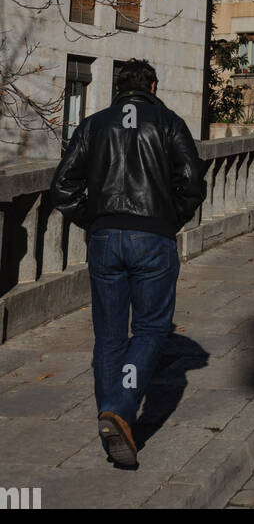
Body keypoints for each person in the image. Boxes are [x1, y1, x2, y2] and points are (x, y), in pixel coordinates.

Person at [49, 59, 205, 467]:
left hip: (105, 241)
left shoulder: (94, 124)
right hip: (153, 238)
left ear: (118, 89)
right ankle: (119, 408)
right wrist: (169, 220)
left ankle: (113, 422)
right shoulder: (168, 123)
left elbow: (62, 187)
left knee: (110, 336)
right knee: (151, 329)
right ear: (152, 87)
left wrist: (95, 220)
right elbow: (192, 180)